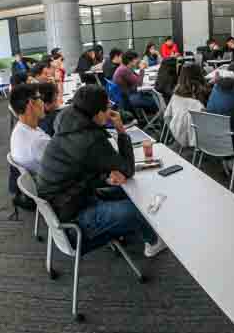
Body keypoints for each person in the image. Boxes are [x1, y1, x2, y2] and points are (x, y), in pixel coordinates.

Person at [36, 85, 166, 258]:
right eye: (107, 108)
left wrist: (104, 176)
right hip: (73, 223)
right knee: (135, 210)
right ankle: (153, 243)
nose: (110, 110)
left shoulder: (65, 120)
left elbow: (77, 166)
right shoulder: (90, 140)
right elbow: (127, 170)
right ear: (97, 114)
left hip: (65, 204)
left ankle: (132, 228)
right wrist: (120, 130)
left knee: (124, 192)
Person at [164, 63, 211, 148]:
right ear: (199, 74)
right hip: (199, 134)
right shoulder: (201, 92)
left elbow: (167, 115)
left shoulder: (176, 94)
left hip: (177, 130)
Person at [9, 84, 50, 174]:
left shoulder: (19, 129)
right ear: (31, 103)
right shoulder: (38, 141)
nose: (43, 102)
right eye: (40, 98)